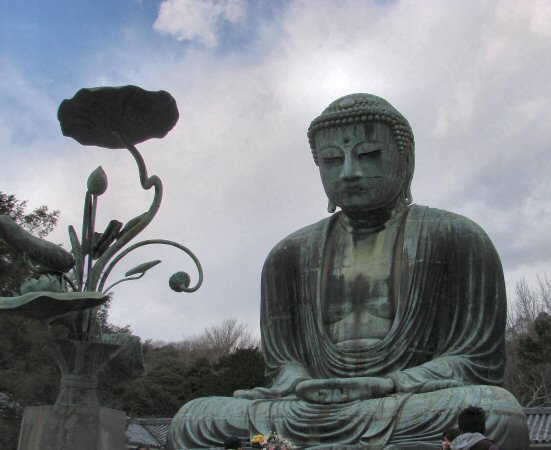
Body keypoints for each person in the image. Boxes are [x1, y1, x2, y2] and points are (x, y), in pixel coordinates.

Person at [167, 94, 530, 449]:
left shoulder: (456, 237)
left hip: (405, 402)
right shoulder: (288, 255)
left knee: (498, 413)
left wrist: (391, 384)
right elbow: (283, 365)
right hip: (310, 407)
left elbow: (476, 361)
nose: (349, 172)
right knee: (194, 419)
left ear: (405, 161)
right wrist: (301, 382)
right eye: (331, 160)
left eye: (369, 155)